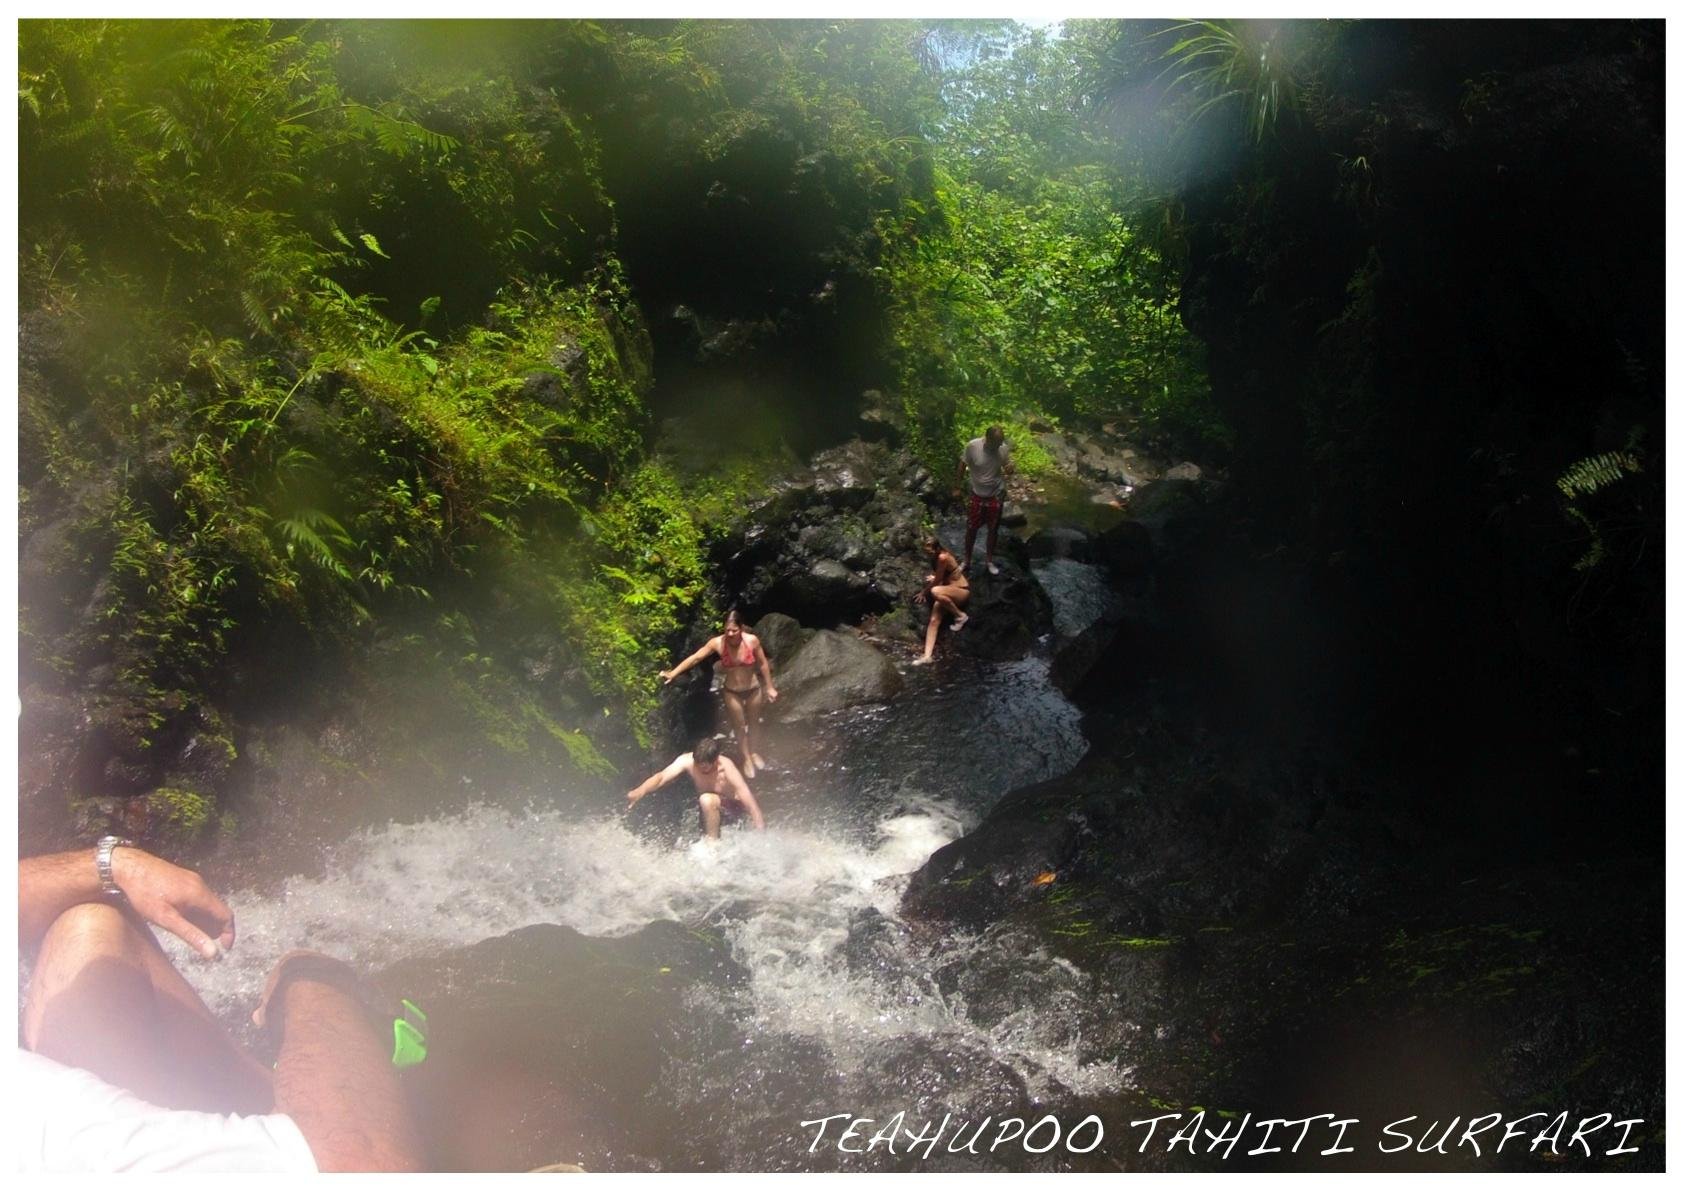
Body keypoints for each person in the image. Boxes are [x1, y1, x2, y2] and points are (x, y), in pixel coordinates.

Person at [16, 838, 423, 1172]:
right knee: (356, 1140)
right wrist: (305, 983)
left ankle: (270, 1100)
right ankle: (329, 1013)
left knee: (89, 927)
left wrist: (117, 866)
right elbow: (361, 1167)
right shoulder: (64, 1144)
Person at [660, 609, 780, 778]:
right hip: (732, 691)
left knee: (754, 723)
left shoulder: (752, 641)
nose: (730, 634)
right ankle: (746, 758)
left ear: (741, 628)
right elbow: (696, 658)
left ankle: (753, 752)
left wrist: (769, 687)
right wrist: (673, 673)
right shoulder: (717, 643)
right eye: (727, 630)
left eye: (734, 630)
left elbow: (762, 664)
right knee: (739, 726)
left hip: (753, 689)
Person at [625, 736, 767, 839]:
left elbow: (748, 798)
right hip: (710, 810)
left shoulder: (726, 767)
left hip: (732, 810)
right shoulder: (687, 761)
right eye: (698, 764)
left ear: (715, 761)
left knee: (706, 799)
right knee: (703, 802)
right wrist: (640, 791)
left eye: (705, 766)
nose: (700, 768)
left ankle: (713, 844)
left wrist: (760, 831)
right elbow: (661, 777)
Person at [956, 425, 1014, 575]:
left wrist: (1010, 469)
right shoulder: (973, 447)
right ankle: (967, 560)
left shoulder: (1003, 449)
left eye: (1001, 442)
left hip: (996, 494)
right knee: (971, 528)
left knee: (993, 529)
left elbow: (1007, 466)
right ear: (987, 439)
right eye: (997, 442)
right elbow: (962, 464)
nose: (999, 445)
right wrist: (956, 486)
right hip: (977, 494)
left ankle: (989, 561)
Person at [911, 535, 970, 666]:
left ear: (936, 547)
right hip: (947, 590)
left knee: (935, 591)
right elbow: (941, 575)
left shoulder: (943, 557)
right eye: (925, 549)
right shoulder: (938, 557)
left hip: (961, 591)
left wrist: (923, 592)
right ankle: (927, 656)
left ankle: (960, 616)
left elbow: (938, 581)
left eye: (929, 549)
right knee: (933, 620)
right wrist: (936, 576)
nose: (927, 552)